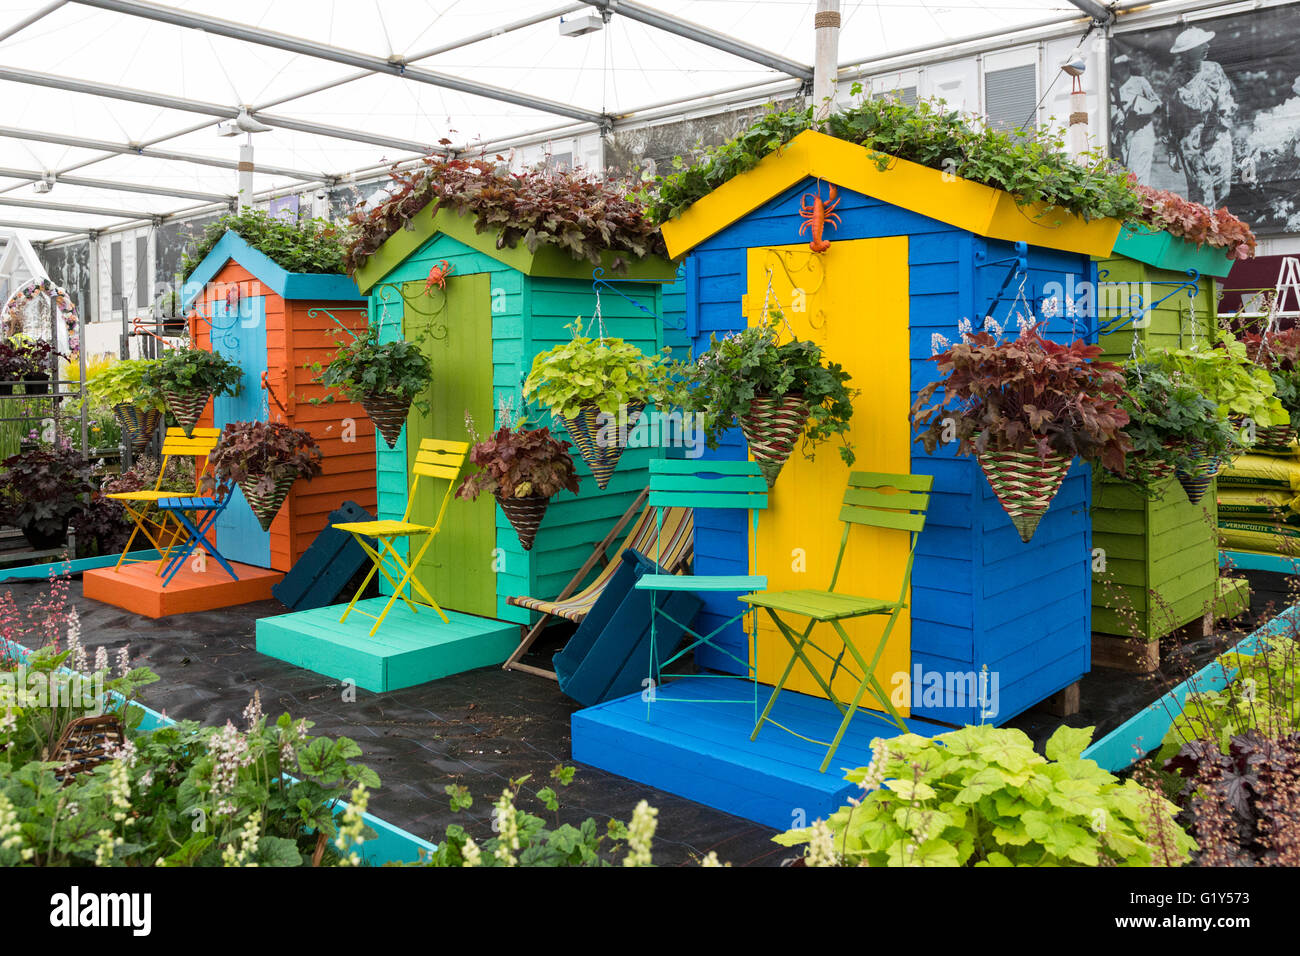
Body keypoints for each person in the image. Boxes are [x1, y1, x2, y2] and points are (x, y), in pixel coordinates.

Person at [1167, 26, 1236, 207]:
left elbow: (1225, 95)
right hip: (1192, 144)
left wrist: (1226, 108)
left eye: (1206, 43)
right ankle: (1204, 233)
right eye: (1201, 44)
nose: (1207, 46)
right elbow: (1172, 118)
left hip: (1218, 138)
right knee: (1202, 196)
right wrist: (1172, 151)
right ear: (1188, 52)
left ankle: (1222, 232)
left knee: (1224, 191)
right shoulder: (1176, 81)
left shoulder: (1214, 69)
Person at [1112, 54, 1161, 183]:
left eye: (1122, 66)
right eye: (1117, 67)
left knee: (1138, 174)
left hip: (1142, 132)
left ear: (1128, 66)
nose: (1120, 70)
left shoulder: (1140, 81)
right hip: (1125, 135)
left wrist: (1142, 108)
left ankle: (1142, 201)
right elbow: (1115, 109)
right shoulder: (1115, 86)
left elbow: (1157, 103)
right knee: (1127, 174)